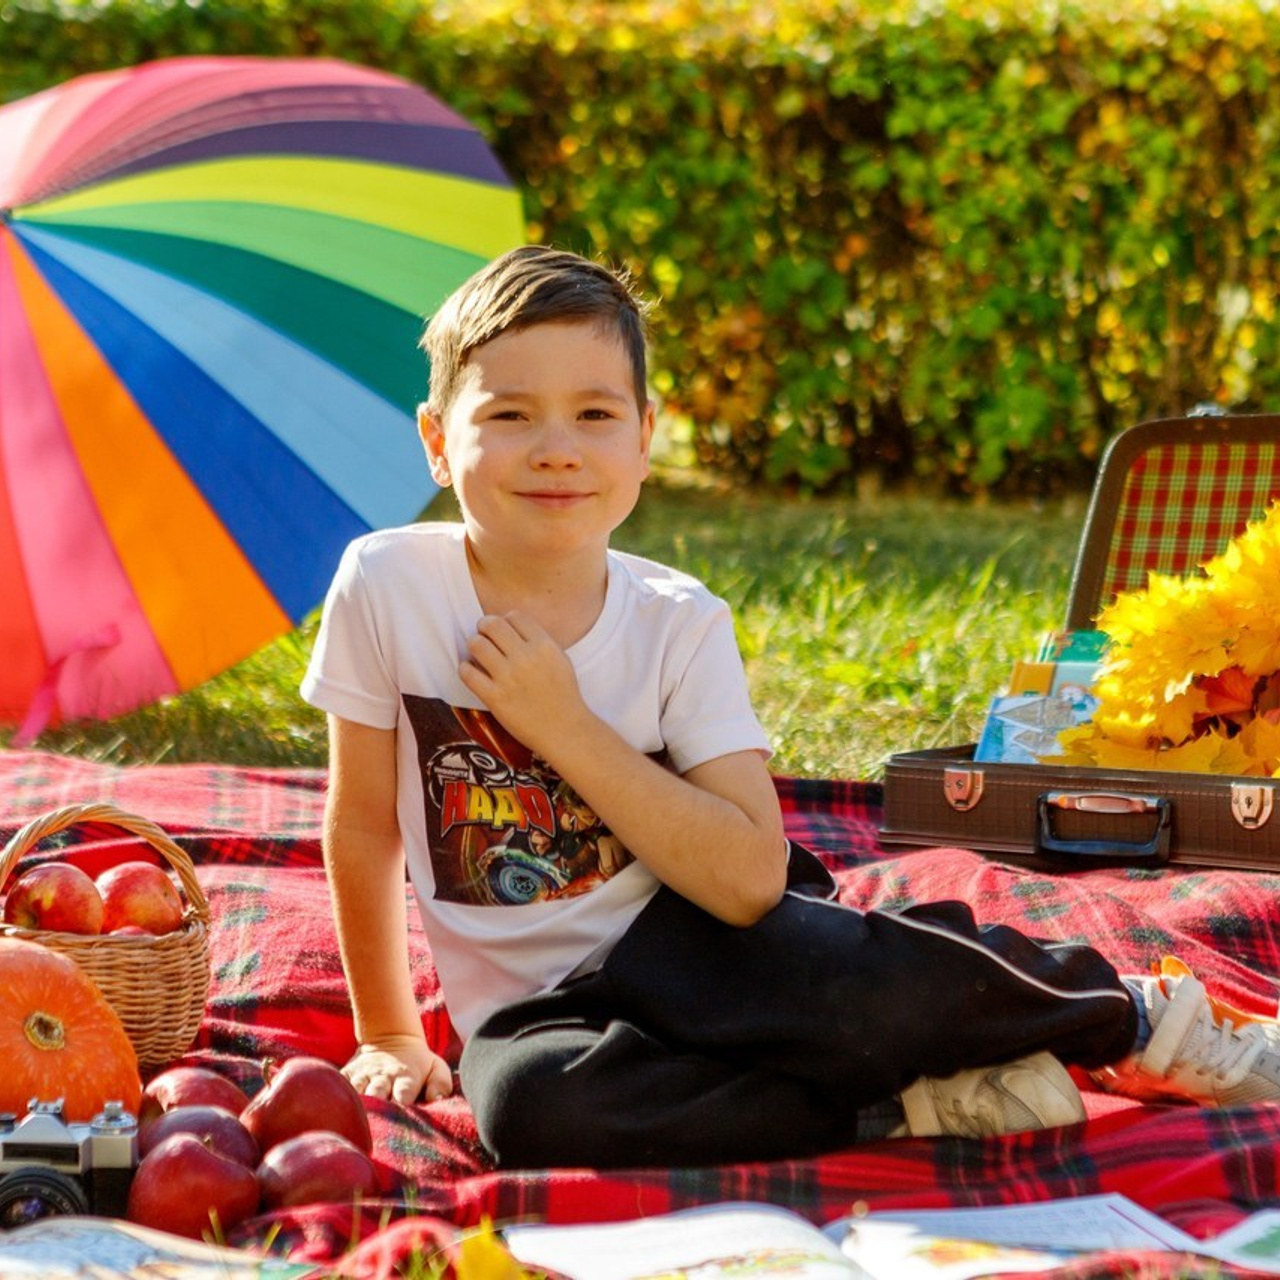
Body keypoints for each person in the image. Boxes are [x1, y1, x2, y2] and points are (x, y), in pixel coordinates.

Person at [301, 245, 1280, 1169]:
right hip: (537, 1013)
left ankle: (1124, 1017)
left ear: (645, 438)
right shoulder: (386, 587)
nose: (555, 449)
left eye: (594, 415)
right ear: (436, 440)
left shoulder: (677, 621)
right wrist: (387, 1031)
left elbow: (746, 882)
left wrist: (562, 726)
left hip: (708, 939)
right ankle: (893, 1103)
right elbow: (360, 822)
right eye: (508, 415)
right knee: (526, 1107)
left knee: (854, 976)